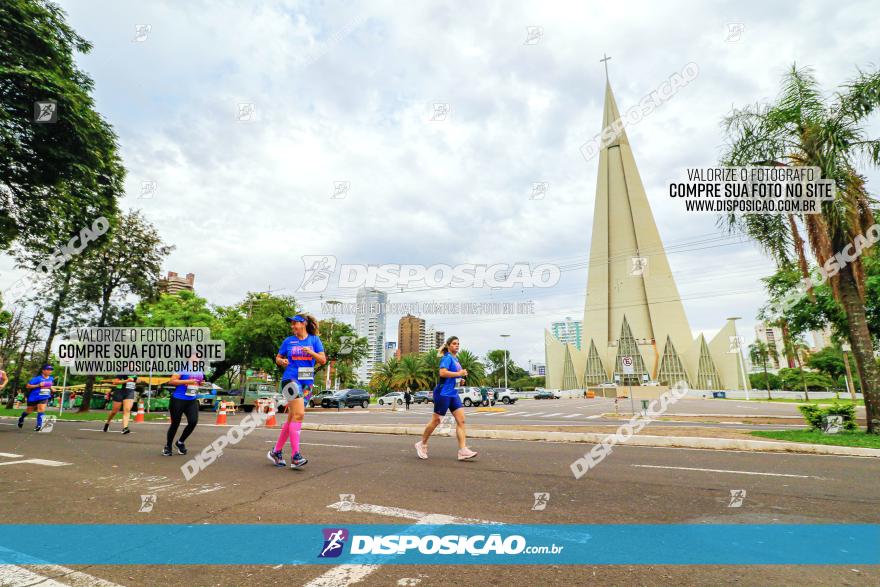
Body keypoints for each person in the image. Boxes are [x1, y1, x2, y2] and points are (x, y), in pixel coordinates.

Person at [267, 314, 326, 470]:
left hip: (307, 383)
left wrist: (310, 352)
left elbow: (322, 360)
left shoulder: (314, 340)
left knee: (292, 417)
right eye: (291, 324)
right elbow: (278, 358)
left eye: (295, 323)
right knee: (299, 415)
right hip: (290, 380)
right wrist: (282, 361)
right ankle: (295, 456)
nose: (292, 326)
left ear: (304, 324)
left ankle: (276, 451)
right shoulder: (288, 341)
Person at [415, 336, 478, 461]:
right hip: (443, 393)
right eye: (454, 343)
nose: (457, 345)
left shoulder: (456, 359)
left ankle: (462, 450)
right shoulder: (447, 358)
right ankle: (422, 444)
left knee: (461, 421)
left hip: (453, 394)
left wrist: (460, 380)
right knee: (436, 420)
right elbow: (442, 373)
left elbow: (453, 377)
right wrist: (459, 374)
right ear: (449, 346)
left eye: (458, 343)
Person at [163, 360, 204, 456]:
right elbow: (172, 381)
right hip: (178, 399)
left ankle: (180, 442)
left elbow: (198, 382)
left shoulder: (199, 369)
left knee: (193, 422)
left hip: (192, 399)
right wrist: (187, 381)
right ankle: (168, 446)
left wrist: (201, 383)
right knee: (175, 424)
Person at [19, 364, 54, 431]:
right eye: (48, 370)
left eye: (51, 370)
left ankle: (39, 425)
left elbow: (49, 385)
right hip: (34, 397)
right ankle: (21, 418)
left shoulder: (51, 378)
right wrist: (38, 385)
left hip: (44, 396)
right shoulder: (37, 379)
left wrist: (52, 389)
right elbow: (28, 386)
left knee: (41, 409)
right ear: (43, 371)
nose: (50, 371)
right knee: (29, 411)